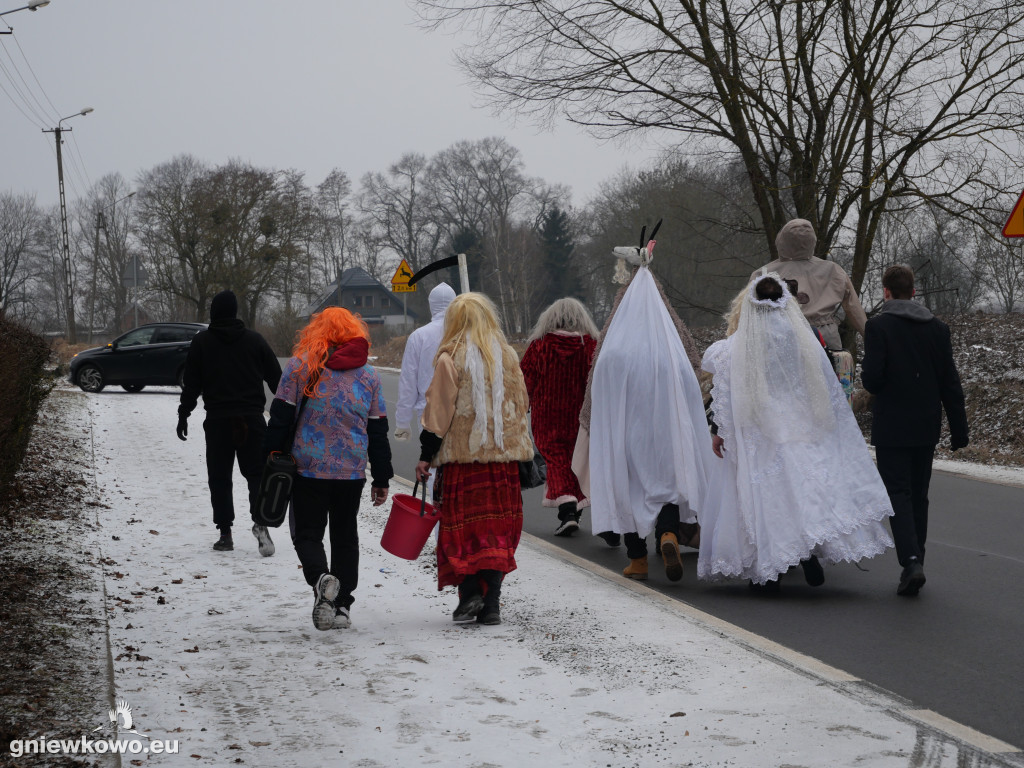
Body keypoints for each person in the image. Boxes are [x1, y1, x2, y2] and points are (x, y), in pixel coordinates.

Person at [699, 273, 894, 589]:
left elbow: (726, 383)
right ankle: (806, 554)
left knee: (767, 496)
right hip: (798, 424)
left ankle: (770, 567)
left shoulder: (739, 344)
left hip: (758, 427)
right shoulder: (799, 336)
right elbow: (821, 382)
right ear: (785, 301)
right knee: (799, 490)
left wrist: (721, 430)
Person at [573, 239, 711, 582]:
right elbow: (691, 393)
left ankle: (637, 559)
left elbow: (599, 396)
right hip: (665, 434)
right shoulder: (671, 353)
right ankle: (667, 534)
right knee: (664, 484)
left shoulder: (612, 355)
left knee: (630, 488)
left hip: (626, 436)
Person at [264, 307, 393, 630]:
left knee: (307, 533)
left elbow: (280, 417)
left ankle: (321, 578)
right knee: (346, 536)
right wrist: (381, 477)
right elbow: (378, 431)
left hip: (308, 469)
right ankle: (343, 606)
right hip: (351, 472)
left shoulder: (299, 367)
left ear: (317, 331)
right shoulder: (369, 375)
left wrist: (270, 455)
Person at [415, 293, 533, 626]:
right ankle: (492, 603)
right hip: (502, 464)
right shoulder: (507, 356)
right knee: (496, 531)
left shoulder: (450, 358)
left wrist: (426, 456)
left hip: (463, 463)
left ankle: (470, 594)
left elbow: (438, 414)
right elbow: (521, 405)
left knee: (462, 530)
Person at [861, 265, 968, 597]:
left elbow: (873, 380)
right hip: (926, 424)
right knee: (919, 494)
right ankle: (916, 558)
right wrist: (959, 428)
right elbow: (950, 381)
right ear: (915, 292)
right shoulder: (938, 329)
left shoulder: (878, 326)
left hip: (892, 424)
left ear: (886, 293)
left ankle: (910, 561)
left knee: (898, 493)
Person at [177, 290, 282, 555]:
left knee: (220, 478)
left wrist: (184, 412)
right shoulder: (255, 341)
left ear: (214, 312)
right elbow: (277, 381)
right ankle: (260, 524)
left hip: (218, 421)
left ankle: (225, 534)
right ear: (235, 312)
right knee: (256, 474)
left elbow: (192, 383)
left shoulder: (202, 343)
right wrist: (284, 415)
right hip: (252, 420)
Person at [520, 298, 598, 537]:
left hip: (547, 416)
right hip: (582, 415)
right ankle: (578, 506)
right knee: (579, 458)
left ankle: (568, 509)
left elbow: (525, 381)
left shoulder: (539, 346)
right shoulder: (591, 345)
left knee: (556, 461)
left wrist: (521, 408)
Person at [393, 282, 457, 500]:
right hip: (462, 414)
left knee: (436, 476)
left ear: (431, 306)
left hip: (428, 417)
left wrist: (403, 423)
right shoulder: (464, 333)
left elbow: (408, 383)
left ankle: (441, 530)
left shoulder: (419, 337)